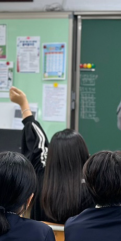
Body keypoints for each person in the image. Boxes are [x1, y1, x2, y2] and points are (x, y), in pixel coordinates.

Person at [10, 86, 94, 224]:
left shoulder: (40, 178)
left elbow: (37, 144)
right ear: (83, 155)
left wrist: (23, 104)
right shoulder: (89, 191)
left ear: (51, 156)